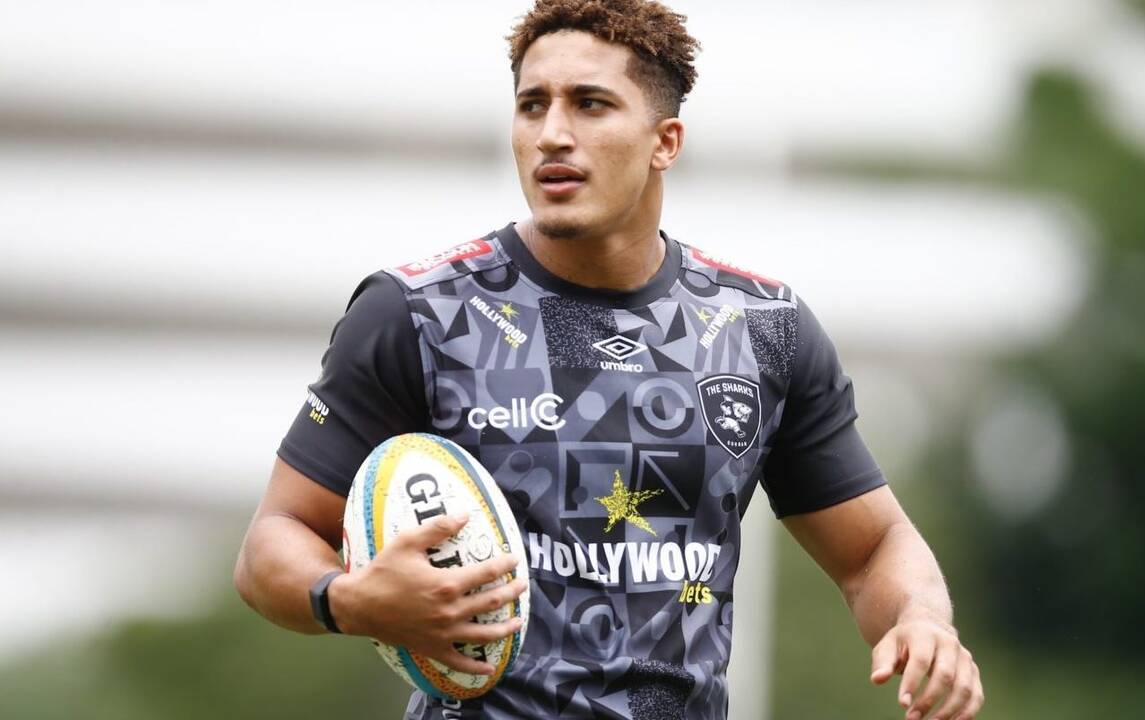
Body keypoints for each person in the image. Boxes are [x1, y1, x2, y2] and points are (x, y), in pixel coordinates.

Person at [233, 1, 985, 718]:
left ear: (665, 142)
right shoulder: (419, 313)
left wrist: (922, 620)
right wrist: (348, 599)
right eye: (533, 106)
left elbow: (874, 549)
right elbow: (274, 541)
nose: (552, 135)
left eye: (590, 104)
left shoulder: (761, 329)